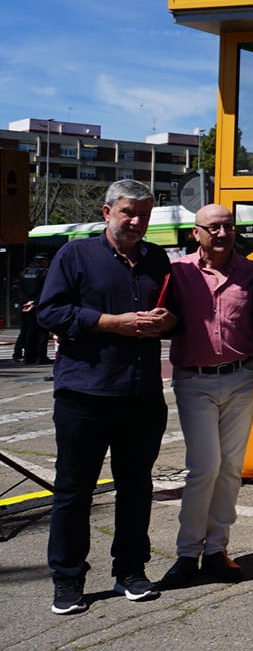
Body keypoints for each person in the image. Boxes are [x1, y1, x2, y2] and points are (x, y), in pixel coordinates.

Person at [38, 180, 176, 615]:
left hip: (140, 393)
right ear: (107, 212)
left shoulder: (157, 258)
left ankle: (130, 571)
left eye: (143, 215)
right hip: (85, 393)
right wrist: (111, 322)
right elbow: (50, 311)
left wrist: (167, 320)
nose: (136, 221)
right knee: (73, 492)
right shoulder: (75, 255)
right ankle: (67, 579)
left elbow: (176, 314)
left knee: (136, 488)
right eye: (128, 212)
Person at [162, 204, 253, 589]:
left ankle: (217, 549)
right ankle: (188, 553)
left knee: (231, 467)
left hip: (241, 377)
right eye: (214, 227)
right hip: (195, 380)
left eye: (228, 226)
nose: (222, 233)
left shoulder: (251, 272)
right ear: (196, 233)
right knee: (204, 467)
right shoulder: (178, 272)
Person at [13, 254, 50, 364]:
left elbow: (19, 290)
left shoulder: (24, 273)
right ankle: (41, 357)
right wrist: (34, 302)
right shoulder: (44, 273)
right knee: (42, 332)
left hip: (25, 307)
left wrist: (26, 302)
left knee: (27, 331)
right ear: (43, 261)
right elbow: (46, 290)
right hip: (39, 306)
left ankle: (28, 357)